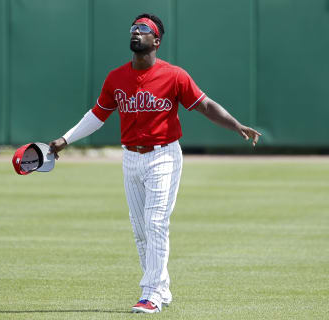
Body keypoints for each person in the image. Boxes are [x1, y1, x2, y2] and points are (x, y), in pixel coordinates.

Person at [49, 13, 261, 314]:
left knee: (156, 222)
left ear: (156, 40)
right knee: (141, 231)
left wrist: (236, 125)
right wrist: (65, 140)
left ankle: (150, 294)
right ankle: (161, 288)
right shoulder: (116, 77)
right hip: (130, 158)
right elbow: (97, 115)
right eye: (133, 28)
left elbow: (206, 105)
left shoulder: (174, 76)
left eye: (143, 30)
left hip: (163, 155)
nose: (136, 32)